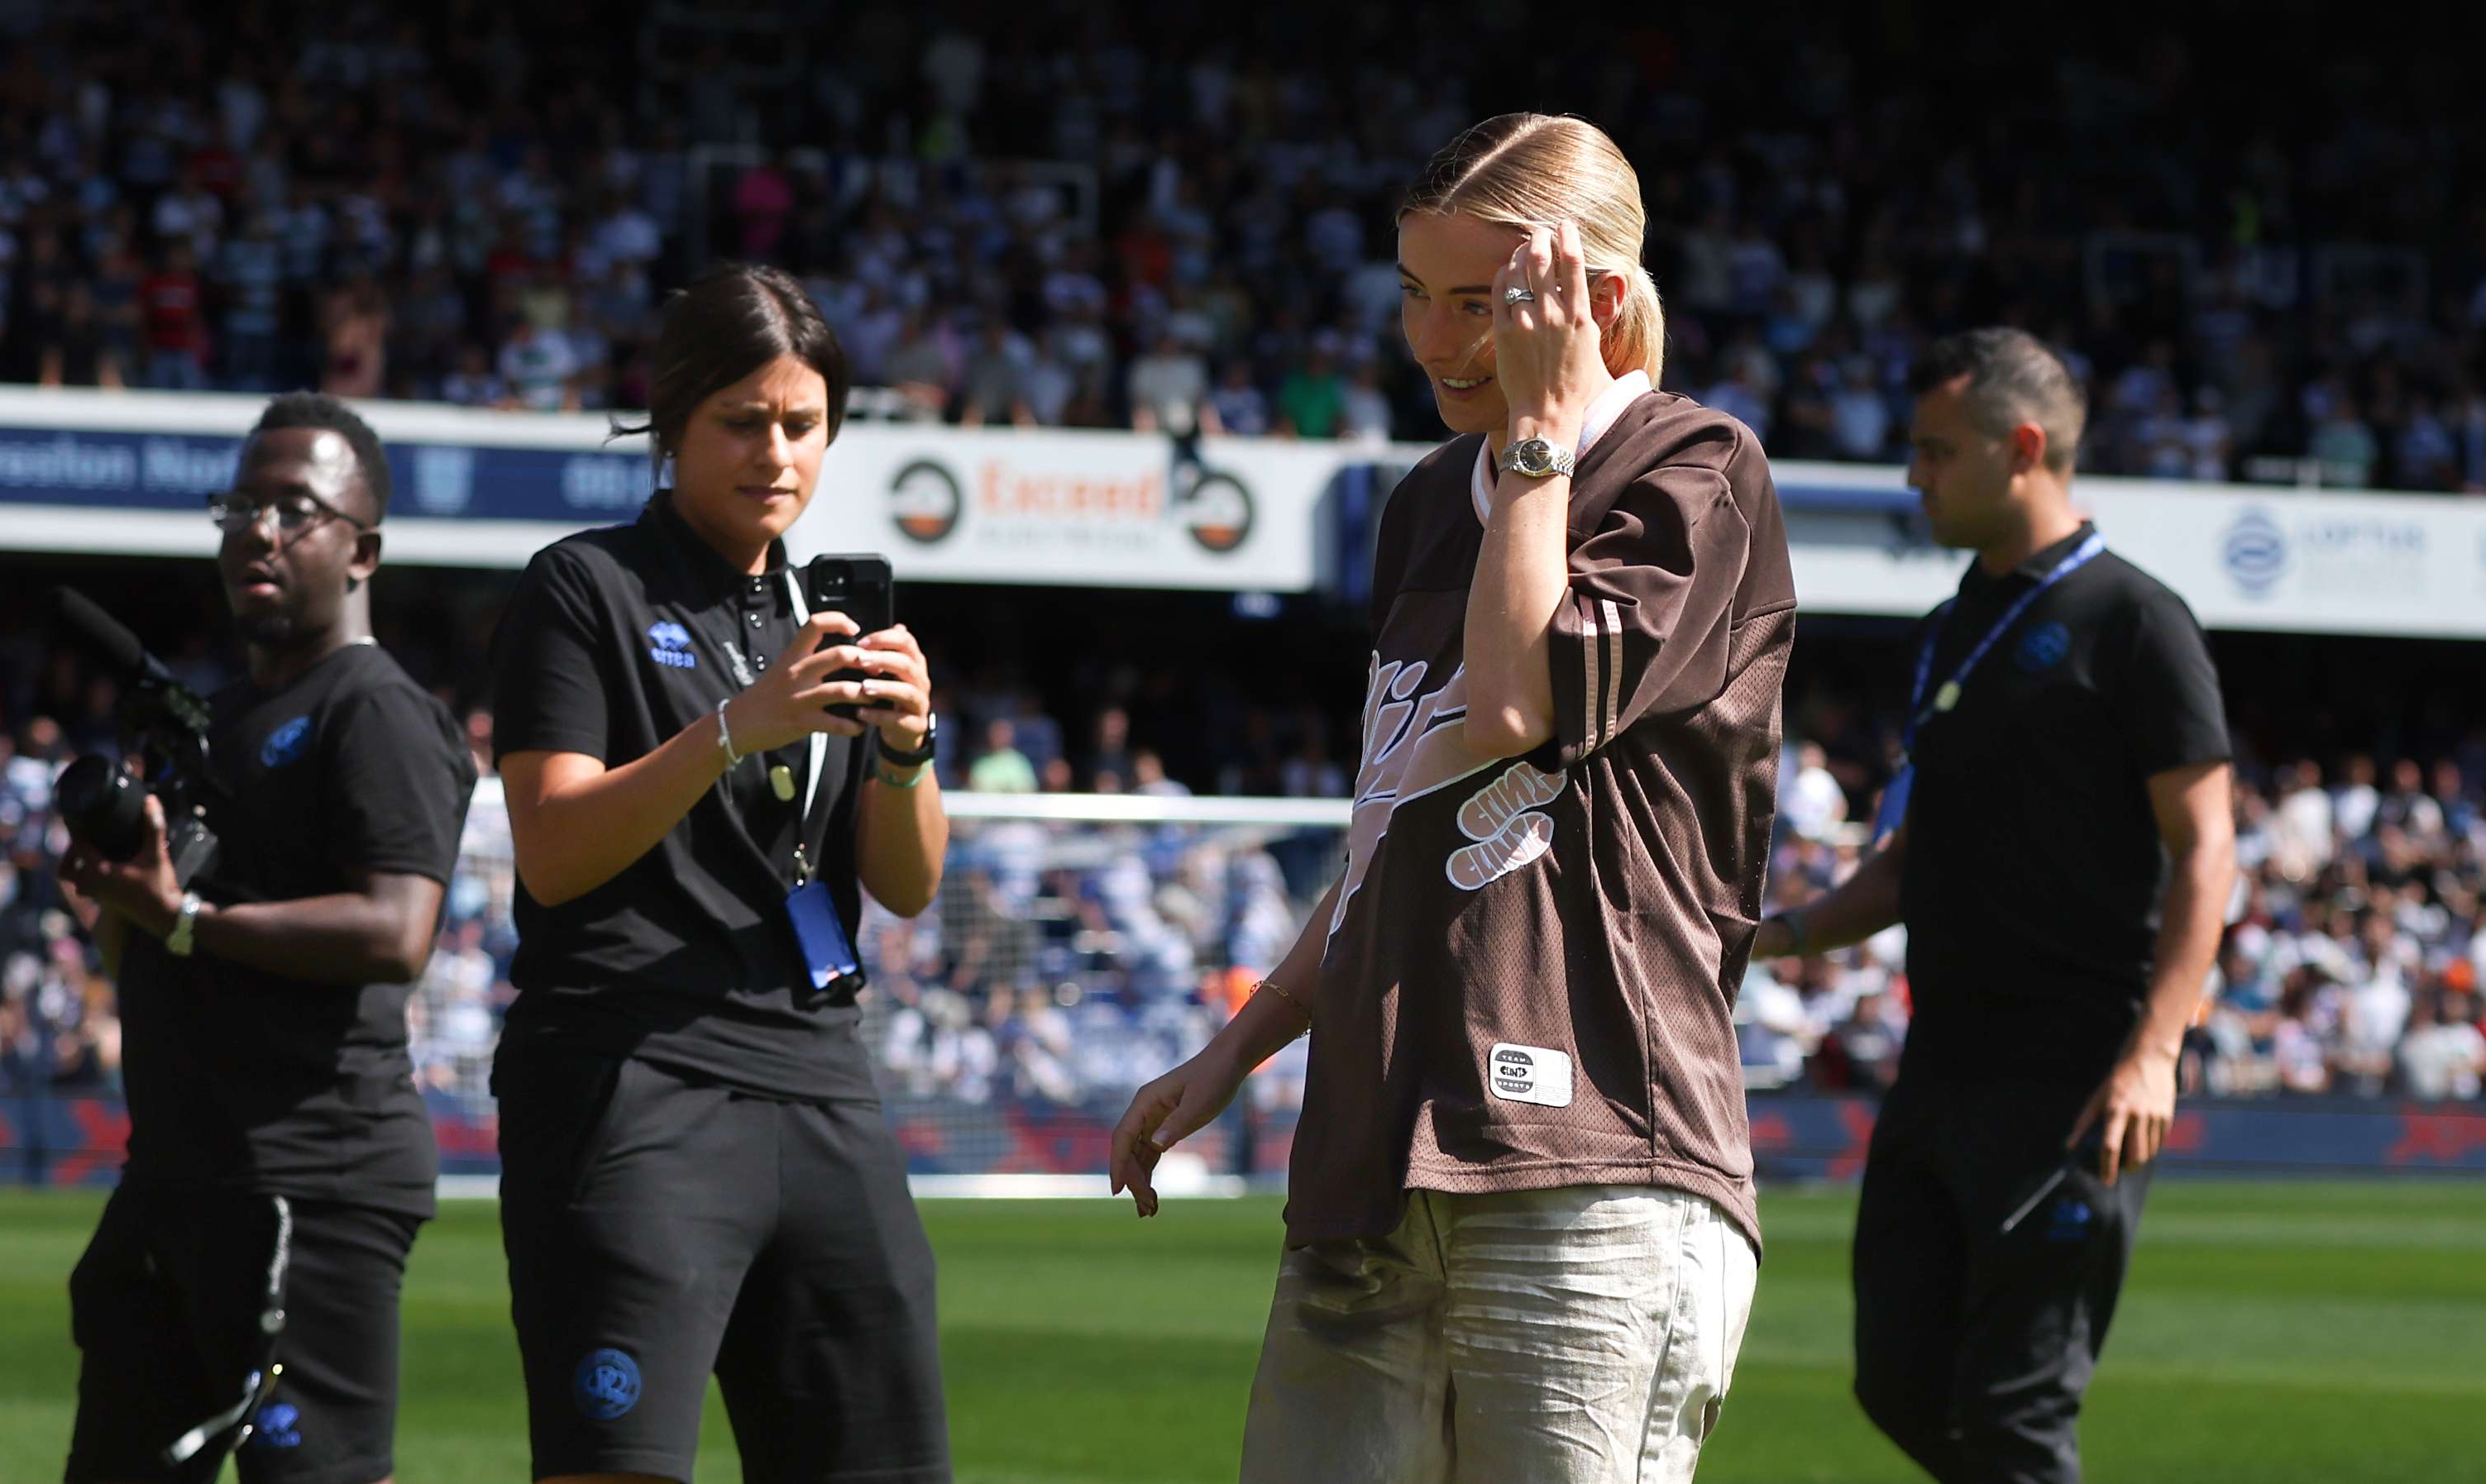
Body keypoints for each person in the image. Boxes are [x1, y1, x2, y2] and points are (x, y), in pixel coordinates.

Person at [1112, 112, 1794, 1482]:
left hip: (1593, 1165)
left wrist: (1542, 434)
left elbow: (1516, 707)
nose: (1431, 341)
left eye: (1479, 305)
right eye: (1417, 295)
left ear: (1595, 300)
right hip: (1371, 1162)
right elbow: (1394, 831)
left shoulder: (1696, 469)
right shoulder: (1427, 501)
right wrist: (1233, 1052)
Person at [486, 261, 950, 1484]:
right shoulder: (582, 586)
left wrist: (908, 752)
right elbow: (551, 842)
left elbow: (902, 888)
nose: (777, 453)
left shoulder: (821, 620)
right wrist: (737, 728)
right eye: (742, 423)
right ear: (676, 420)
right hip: (630, 1079)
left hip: (820, 1081)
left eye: (804, 424)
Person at [1752, 327, 2236, 1484]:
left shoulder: (2136, 621)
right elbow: (1915, 855)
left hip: (2076, 1082)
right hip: (1940, 1069)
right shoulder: (1949, 630)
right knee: (1900, 1383)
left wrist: (2155, 1050)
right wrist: (1777, 938)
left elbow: (2209, 848)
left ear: (2021, 448)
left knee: (2015, 1417)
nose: (1913, 475)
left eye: (1934, 451)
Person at [58, 394, 476, 1484]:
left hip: (309, 1185)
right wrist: (124, 899)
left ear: (363, 550)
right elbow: (144, 951)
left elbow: (397, 932)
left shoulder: (375, 709)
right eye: (242, 505)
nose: (259, 530)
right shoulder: (220, 715)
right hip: (181, 1178)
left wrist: (186, 921)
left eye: (295, 509)